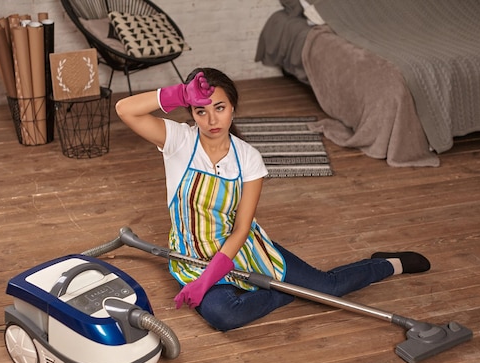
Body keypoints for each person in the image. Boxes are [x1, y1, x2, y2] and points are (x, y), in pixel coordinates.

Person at [115, 68, 430, 331]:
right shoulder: (179, 141)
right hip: (192, 258)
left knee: (329, 288)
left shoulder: (248, 158)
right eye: (201, 110)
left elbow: (240, 229)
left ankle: (387, 263)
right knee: (225, 316)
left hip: (243, 250)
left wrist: (209, 279)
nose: (212, 119)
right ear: (192, 113)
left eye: (220, 107)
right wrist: (179, 93)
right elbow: (124, 109)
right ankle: (293, 293)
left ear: (233, 108)